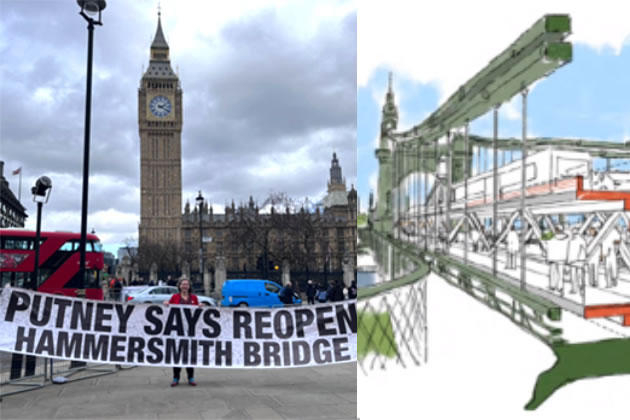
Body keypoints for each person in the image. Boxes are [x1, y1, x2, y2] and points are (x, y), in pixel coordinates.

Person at [164, 277, 200, 387]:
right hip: (177, 330)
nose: (185, 286)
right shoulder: (175, 297)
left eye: (187, 284)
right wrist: (166, 304)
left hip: (190, 330)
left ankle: (191, 377)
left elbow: (197, 312)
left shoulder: (194, 297)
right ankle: (176, 377)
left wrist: (200, 307)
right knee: (177, 354)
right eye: (183, 284)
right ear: (179, 286)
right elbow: (169, 309)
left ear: (189, 287)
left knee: (189, 354)